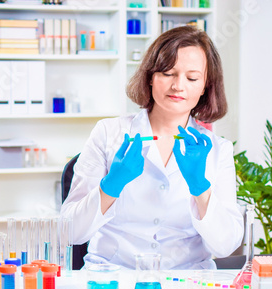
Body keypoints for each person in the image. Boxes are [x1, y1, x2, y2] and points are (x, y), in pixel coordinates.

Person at [61, 26, 244, 270]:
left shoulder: (218, 150)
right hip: (113, 278)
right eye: (168, 73)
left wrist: (201, 187)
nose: (178, 86)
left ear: (205, 87)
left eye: (192, 78)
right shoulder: (108, 133)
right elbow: (69, 232)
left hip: (189, 282)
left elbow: (225, 246)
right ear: (150, 76)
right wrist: (111, 186)